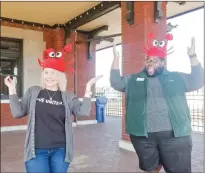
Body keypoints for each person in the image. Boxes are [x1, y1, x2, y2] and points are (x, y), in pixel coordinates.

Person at [110, 33, 204, 173]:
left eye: (154, 60)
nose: (150, 62)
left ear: (162, 62)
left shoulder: (176, 77)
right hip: (143, 137)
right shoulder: (133, 79)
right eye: (148, 60)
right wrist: (116, 58)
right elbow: (116, 82)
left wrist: (192, 56)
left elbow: (198, 80)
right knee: (151, 169)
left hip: (175, 136)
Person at [4, 43, 102, 173]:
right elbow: (17, 112)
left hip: (60, 150)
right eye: (46, 72)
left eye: (53, 73)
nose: (49, 76)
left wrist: (88, 89)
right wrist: (12, 90)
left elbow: (83, 112)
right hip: (36, 150)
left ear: (60, 75)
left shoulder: (67, 96)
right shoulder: (33, 92)